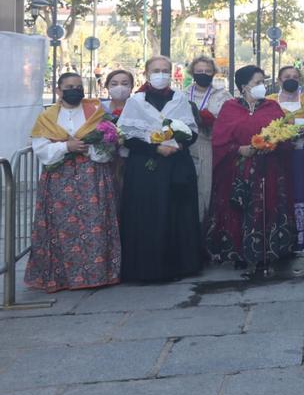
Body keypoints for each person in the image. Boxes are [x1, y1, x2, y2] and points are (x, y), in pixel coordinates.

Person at [25, 73, 121, 292]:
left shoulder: (96, 112)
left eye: (78, 86)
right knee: (61, 226)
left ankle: (97, 273)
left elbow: (109, 145)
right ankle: (61, 277)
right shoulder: (47, 117)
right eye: (69, 86)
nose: (75, 90)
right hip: (59, 177)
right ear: (59, 90)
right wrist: (66, 147)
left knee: (95, 223)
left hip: (92, 177)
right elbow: (41, 149)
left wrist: (90, 149)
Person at [116, 56, 203, 283]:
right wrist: (155, 148)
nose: (161, 74)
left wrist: (178, 143)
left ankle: (181, 264)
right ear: (146, 73)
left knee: (177, 213)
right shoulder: (136, 101)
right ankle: (147, 267)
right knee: (147, 214)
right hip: (145, 167)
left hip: (176, 164)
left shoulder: (180, 98)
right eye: (156, 70)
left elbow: (191, 131)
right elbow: (126, 136)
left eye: (165, 70)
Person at [207, 65, 296, 271]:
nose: (261, 87)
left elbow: (284, 134)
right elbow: (219, 139)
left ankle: (269, 251)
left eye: (262, 83)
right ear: (244, 86)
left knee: (268, 207)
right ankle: (238, 253)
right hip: (238, 169)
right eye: (257, 83)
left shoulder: (272, 107)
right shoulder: (230, 107)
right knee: (238, 210)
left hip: (269, 168)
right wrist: (239, 149)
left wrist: (274, 143)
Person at [269, 65, 304, 251]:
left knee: (300, 191)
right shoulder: (270, 101)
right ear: (279, 80)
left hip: (300, 154)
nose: (291, 79)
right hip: (276, 154)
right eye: (287, 76)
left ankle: (301, 237)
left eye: (295, 76)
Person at [186, 56, 233, 225]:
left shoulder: (223, 95)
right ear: (192, 73)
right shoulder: (183, 94)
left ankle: (210, 231)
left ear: (214, 73)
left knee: (209, 191)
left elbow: (230, 122)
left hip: (213, 147)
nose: (203, 74)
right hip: (188, 148)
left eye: (207, 71)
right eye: (199, 71)